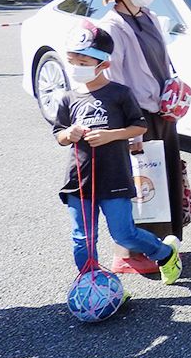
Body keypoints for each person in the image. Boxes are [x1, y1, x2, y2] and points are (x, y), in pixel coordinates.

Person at [54, 22, 182, 288]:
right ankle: (93, 286)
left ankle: (165, 254)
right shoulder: (68, 98)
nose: (76, 67)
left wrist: (111, 135)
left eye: (83, 62)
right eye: (72, 61)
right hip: (79, 180)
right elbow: (59, 135)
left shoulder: (119, 93)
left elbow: (139, 126)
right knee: (82, 238)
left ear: (103, 64)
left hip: (114, 177)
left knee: (124, 234)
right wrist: (70, 134)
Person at [99, 0, 191, 273]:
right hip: (136, 116)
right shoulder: (112, 27)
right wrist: (129, 128)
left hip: (161, 111)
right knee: (139, 181)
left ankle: (161, 244)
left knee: (161, 178)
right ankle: (129, 253)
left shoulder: (148, 15)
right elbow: (114, 80)